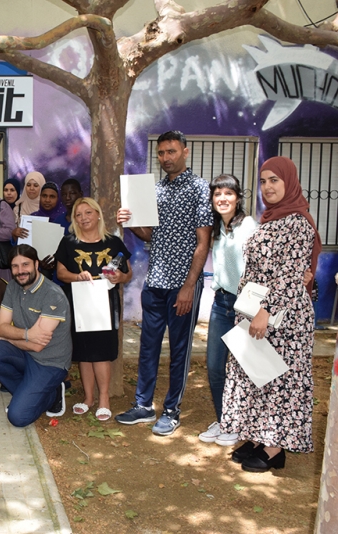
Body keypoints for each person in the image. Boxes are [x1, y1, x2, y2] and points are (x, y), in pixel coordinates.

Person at [221, 157, 321, 473]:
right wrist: (248, 310)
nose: (268, 187)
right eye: (263, 181)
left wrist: (266, 311)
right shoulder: (270, 220)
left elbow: (290, 275)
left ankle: (275, 448)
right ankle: (259, 438)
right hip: (258, 309)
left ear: (289, 182)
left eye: (274, 180)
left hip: (283, 318)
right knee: (256, 374)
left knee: (281, 380)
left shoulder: (298, 222)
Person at [115, 130, 213, 436]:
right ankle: (143, 406)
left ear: (185, 152)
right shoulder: (154, 191)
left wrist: (189, 285)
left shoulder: (199, 189)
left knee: (179, 350)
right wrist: (130, 221)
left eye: (171, 152)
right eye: (161, 153)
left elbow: (203, 242)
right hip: (155, 281)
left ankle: (172, 411)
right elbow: (151, 235)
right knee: (148, 346)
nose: (166, 158)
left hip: (183, 284)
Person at [0, 245, 72, 427]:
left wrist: (7, 339)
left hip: (50, 362)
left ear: (36, 264)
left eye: (25, 265)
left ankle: (51, 392)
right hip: (26, 354)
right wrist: (26, 334)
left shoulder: (53, 295)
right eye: (15, 266)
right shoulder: (13, 287)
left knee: (18, 418)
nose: (20, 271)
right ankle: (38, 391)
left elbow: (37, 346)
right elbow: (0, 326)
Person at [56, 198, 132, 422]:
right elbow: (61, 273)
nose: (83, 218)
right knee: (84, 353)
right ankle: (88, 399)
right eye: (79, 215)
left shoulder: (113, 242)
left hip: (106, 306)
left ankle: (104, 399)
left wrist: (120, 277)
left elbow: (128, 274)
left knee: (101, 353)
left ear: (98, 214)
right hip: (79, 305)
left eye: (88, 213)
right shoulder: (68, 242)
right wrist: (76, 276)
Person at [197, 175, 258, 446]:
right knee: (214, 366)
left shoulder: (248, 226)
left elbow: (258, 269)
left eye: (228, 193)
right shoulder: (218, 229)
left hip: (244, 305)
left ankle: (239, 424)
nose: (222, 198)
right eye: (217, 193)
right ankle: (225, 419)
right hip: (221, 303)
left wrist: (255, 310)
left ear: (238, 198)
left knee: (243, 369)